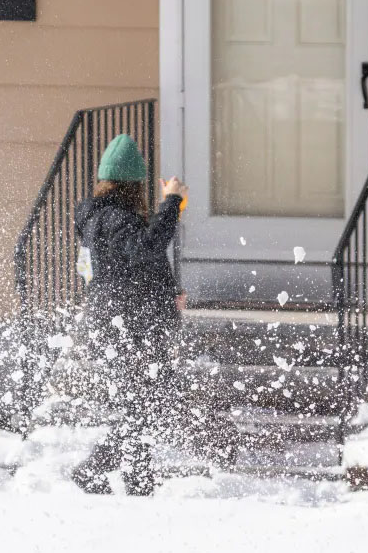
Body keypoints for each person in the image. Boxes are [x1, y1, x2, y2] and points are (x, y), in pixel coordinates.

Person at [70, 134, 238, 496]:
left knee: (144, 404)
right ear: (134, 185)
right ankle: (98, 470)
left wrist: (168, 291)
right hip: (131, 330)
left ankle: (137, 479)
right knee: (146, 405)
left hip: (114, 325)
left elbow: (117, 267)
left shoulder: (94, 218)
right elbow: (148, 249)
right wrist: (172, 203)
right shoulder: (118, 220)